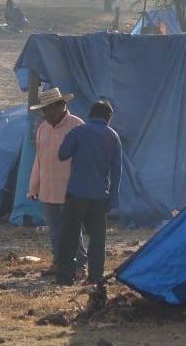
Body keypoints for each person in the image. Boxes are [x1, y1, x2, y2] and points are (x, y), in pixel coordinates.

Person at [55, 98, 122, 286]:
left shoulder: (79, 131)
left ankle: (65, 278)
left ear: (90, 114)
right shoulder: (113, 136)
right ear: (108, 117)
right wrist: (113, 197)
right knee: (97, 240)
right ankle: (95, 277)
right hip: (100, 196)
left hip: (76, 194)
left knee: (69, 237)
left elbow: (63, 154)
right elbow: (117, 169)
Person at [24, 87, 82, 269]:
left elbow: (84, 161)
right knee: (55, 232)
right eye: (44, 109)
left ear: (61, 106)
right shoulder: (42, 129)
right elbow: (39, 160)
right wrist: (34, 187)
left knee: (72, 231)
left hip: (69, 190)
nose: (46, 113)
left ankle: (80, 265)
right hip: (48, 191)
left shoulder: (77, 126)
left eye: (49, 109)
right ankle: (60, 265)